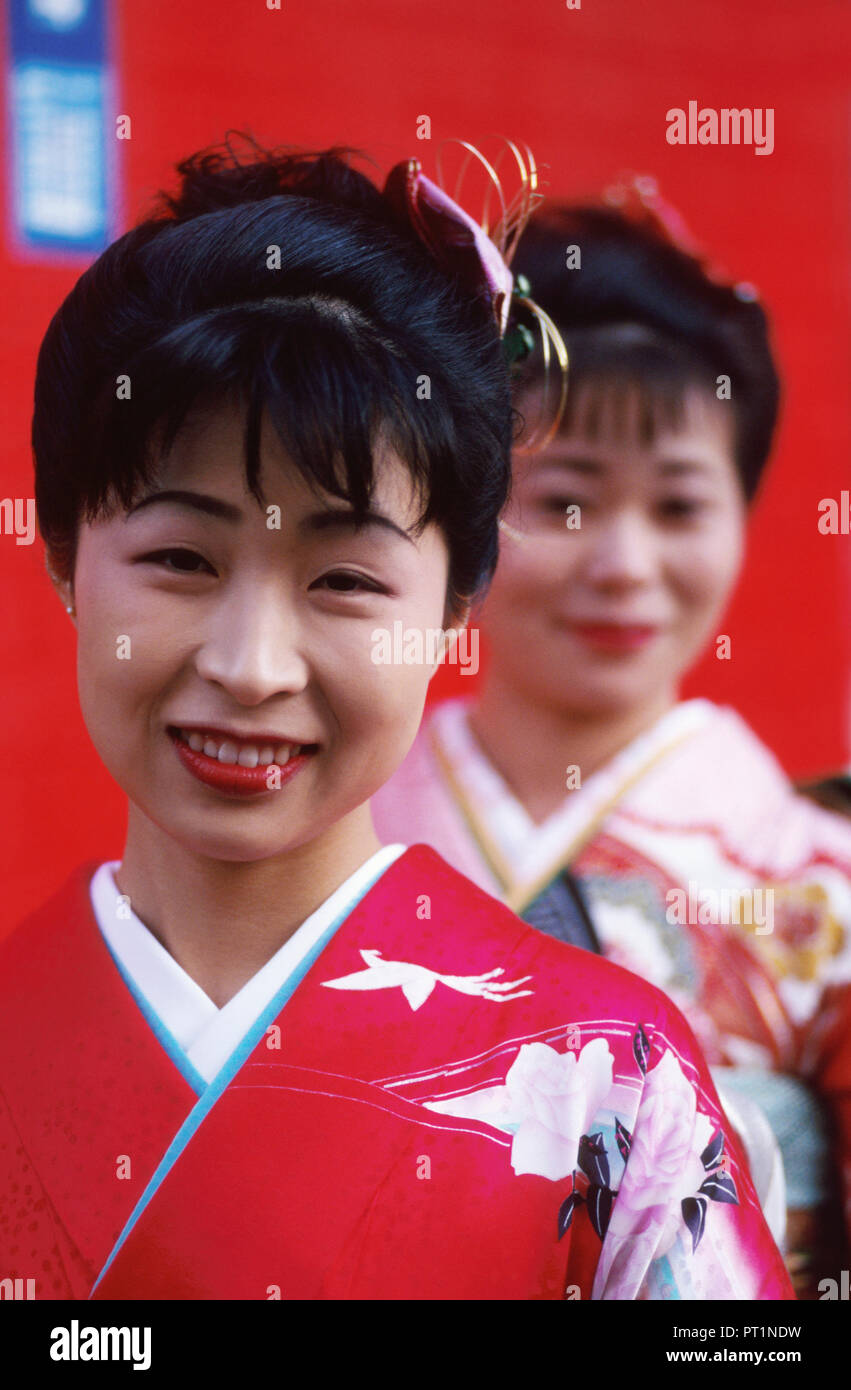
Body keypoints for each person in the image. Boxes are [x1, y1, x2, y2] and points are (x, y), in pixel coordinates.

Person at [0, 139, 792, 1301]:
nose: (250, 665)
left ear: (456, 602)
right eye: (179, 557)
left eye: (344, 581)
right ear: (67, 559)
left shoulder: (614, 1082)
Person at [372, 180, 851, 1296]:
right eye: (568, 501)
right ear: (465, 509)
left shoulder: (816, 877)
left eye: (678, 505)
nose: (624, 565)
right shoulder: (337, 819)